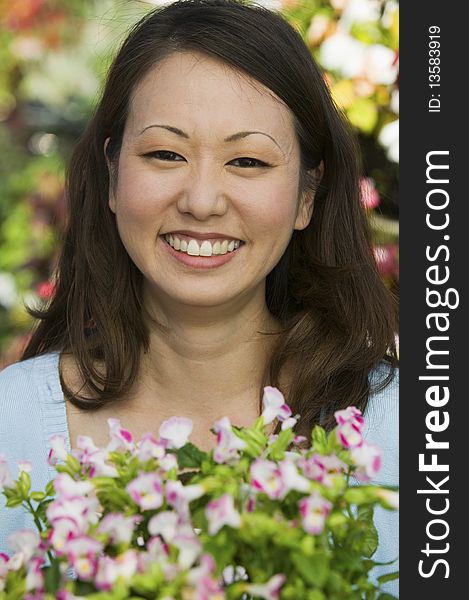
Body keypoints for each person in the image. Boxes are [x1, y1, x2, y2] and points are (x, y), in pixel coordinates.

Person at [0, 0, 399, 595]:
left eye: (247, 160)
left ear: (306, 197)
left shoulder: (405, 434)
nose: (202, 200)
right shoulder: (12, 429)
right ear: (112, 176)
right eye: (166, 154)